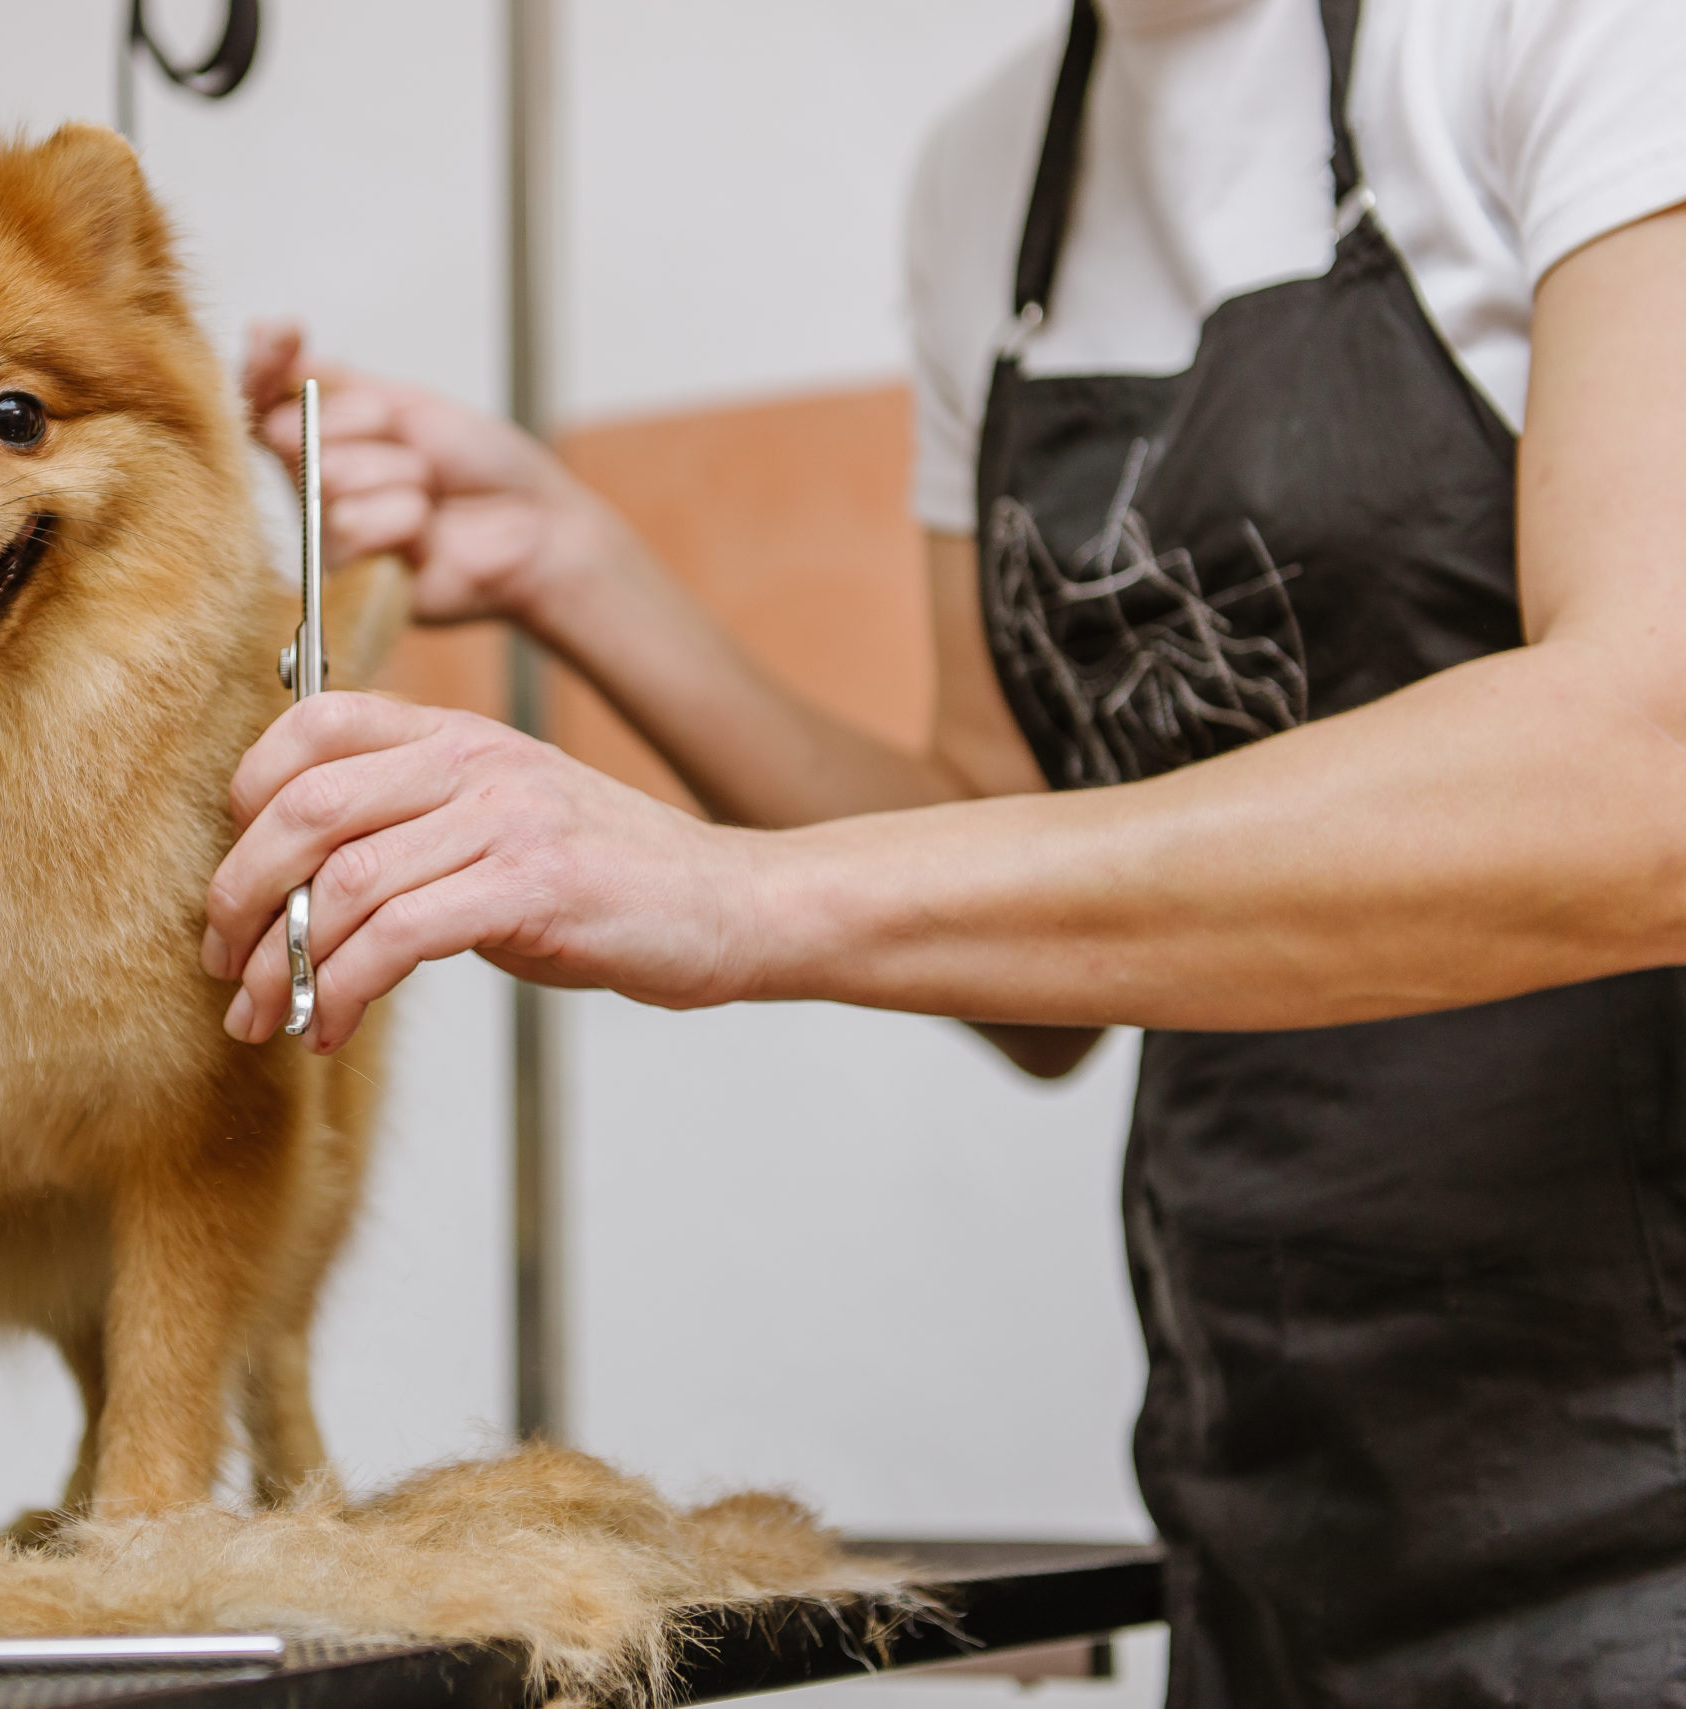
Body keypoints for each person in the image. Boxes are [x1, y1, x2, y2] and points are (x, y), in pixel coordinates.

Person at [204, 0, 1686, 1700]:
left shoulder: (1563, 29)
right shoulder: (992, 183)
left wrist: (733, 893)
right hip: (1275, 1480)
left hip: (1647, 1485)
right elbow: (1018, 911)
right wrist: (572, 561)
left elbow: (1649, 771)